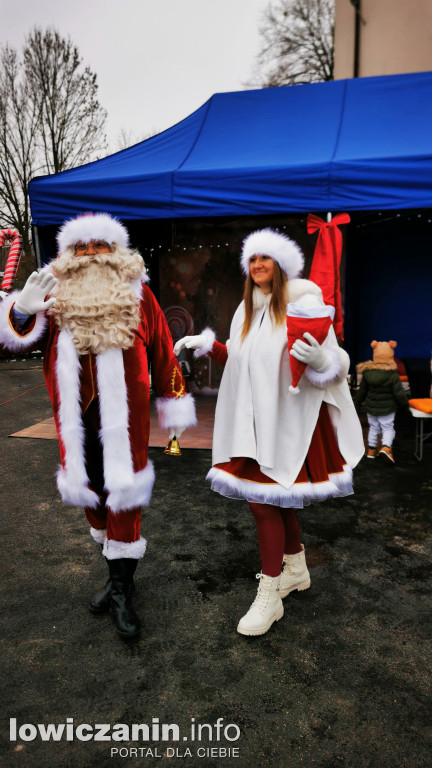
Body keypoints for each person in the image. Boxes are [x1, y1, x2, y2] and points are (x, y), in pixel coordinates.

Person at [0, 213, 196, 639]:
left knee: (123, 496)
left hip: (125, 420)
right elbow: (15, 336)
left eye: (99, 246)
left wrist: (174, 404)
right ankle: (114, 572)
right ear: (69, 254)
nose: (90, 254)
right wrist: (20, 310)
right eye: (81, 247)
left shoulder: (140, 296)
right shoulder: (53, 295)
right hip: (75, 417)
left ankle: (123, 591)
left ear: (114, 252)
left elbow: (163, 349)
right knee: (91, 494)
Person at [174, 228, 364, 637]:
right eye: (252, 260)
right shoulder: (248, 310)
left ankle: (270, 593)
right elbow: (242, 361)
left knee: (263, 503)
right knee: (274, 499)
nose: (257, 265)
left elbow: (335, 362)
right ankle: (295, 566)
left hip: (292, 422)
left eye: (265, 258)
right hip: (256, 421)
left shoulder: (304, 304)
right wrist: (207, 345)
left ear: (280, 265)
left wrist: (321, 360)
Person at [355, 340, 409, 464]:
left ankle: (371, 451)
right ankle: (386, 447)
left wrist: (357, 403)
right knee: (388, 428)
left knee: (373, 428)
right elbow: (399, 393)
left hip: (371, 407)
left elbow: (362, 391)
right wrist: (405, 405)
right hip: (387, 409)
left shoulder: (368, 373)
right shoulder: (392, 375)